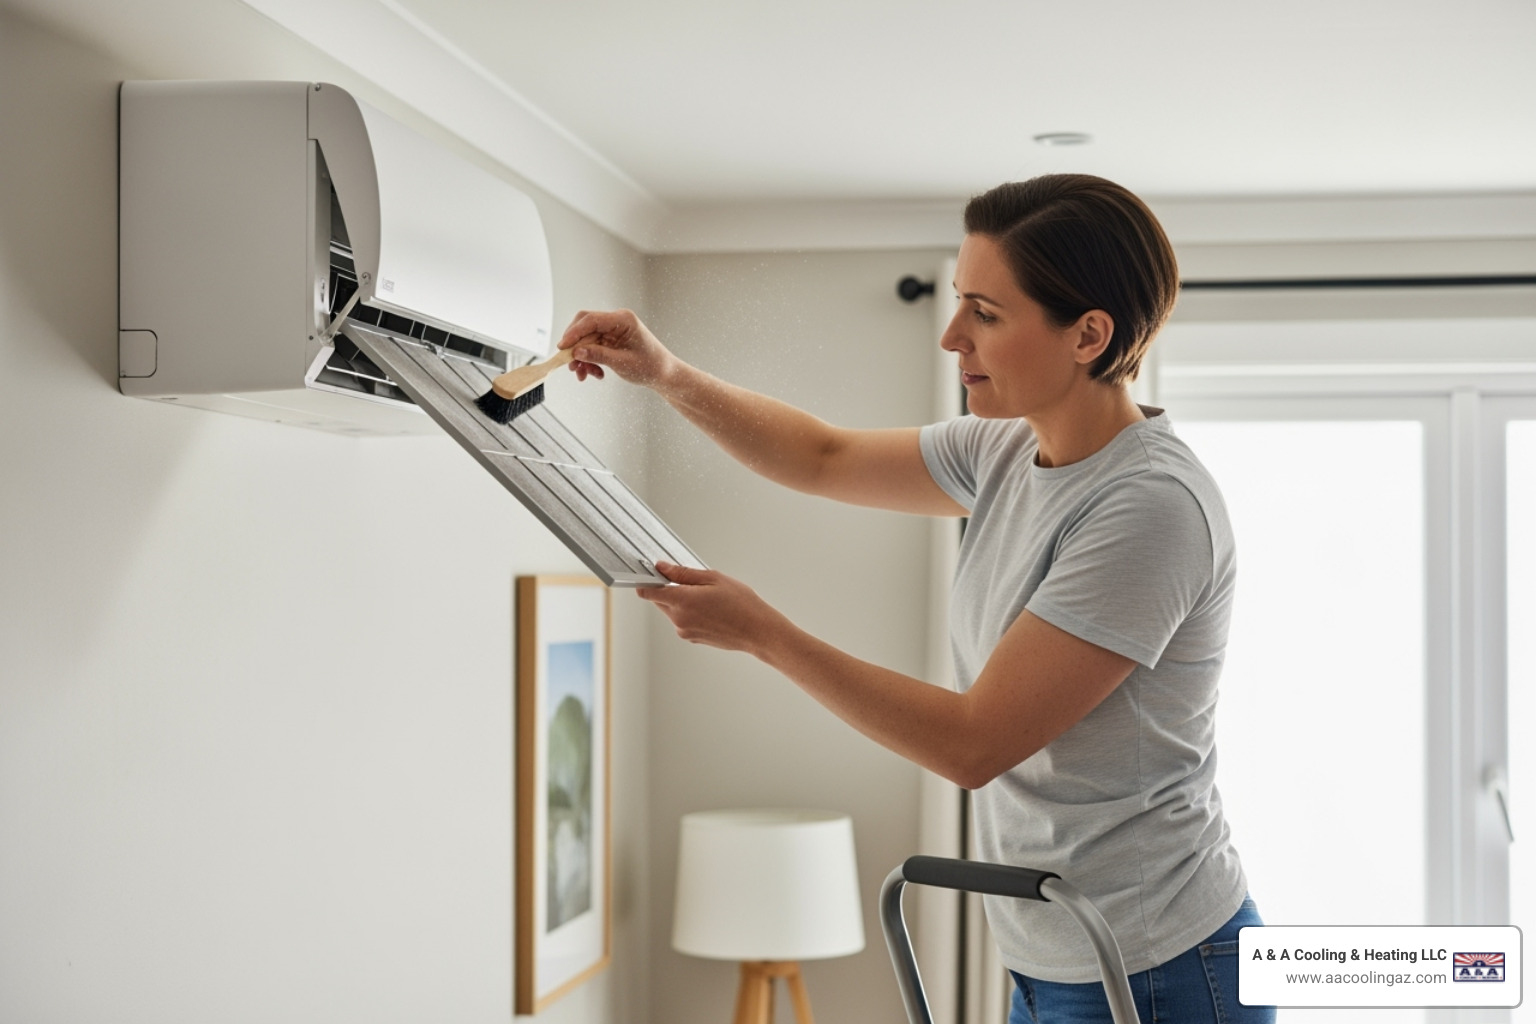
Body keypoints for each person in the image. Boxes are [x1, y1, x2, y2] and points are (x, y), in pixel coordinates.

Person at [557, 174, 1272, 1024]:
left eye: (985, 313)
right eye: (960, 302)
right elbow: (820, 457)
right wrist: (666, 373)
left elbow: (975, 744)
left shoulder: (1149, 507)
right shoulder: (1006, 453)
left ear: (1088, 335)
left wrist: (765, 635)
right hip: (1050, 953)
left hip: (1163, 966)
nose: (951, 335)